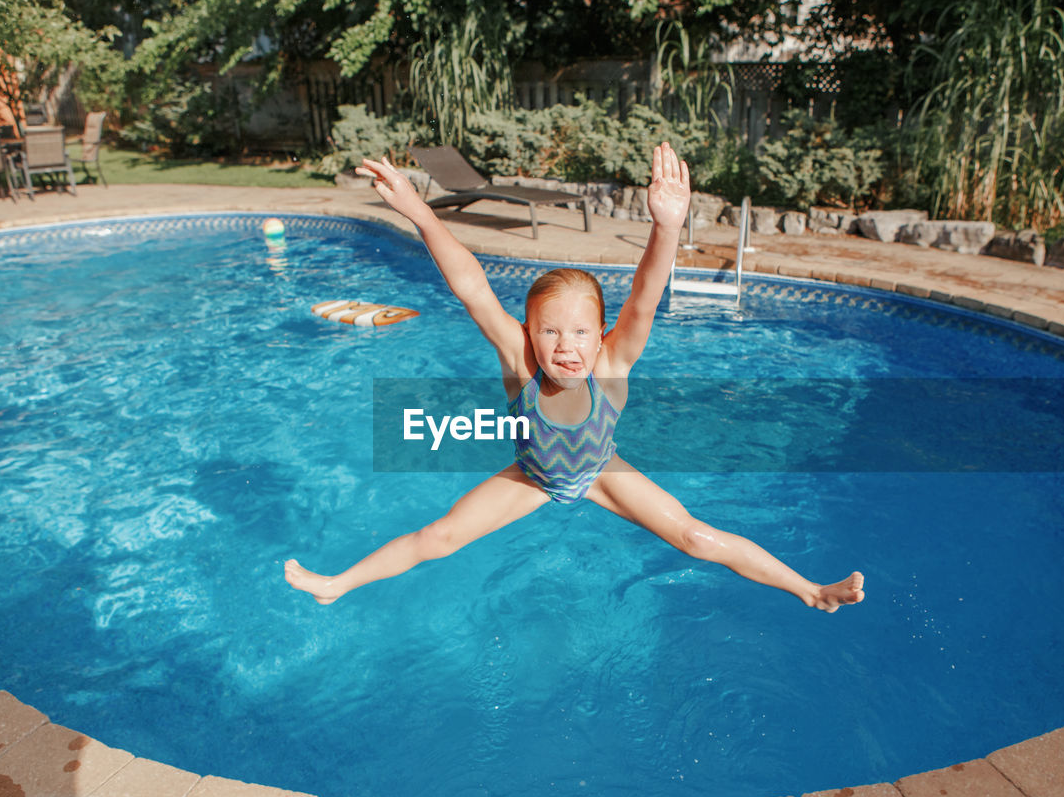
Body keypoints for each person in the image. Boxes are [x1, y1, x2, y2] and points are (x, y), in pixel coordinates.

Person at [285, 143, 864, 612]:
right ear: (528, 334)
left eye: (581, 332)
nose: (566, 347)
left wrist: (667, 226)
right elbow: (472, 287)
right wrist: (419, 211)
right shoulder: (522, 364)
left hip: (600, 471)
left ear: (602, 333)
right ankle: (338, 584)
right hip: (534, 476)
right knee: (438, 538)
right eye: (550, 332)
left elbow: (645, 296)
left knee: (695, 537)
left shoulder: (612, 365)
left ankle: (809, 589)